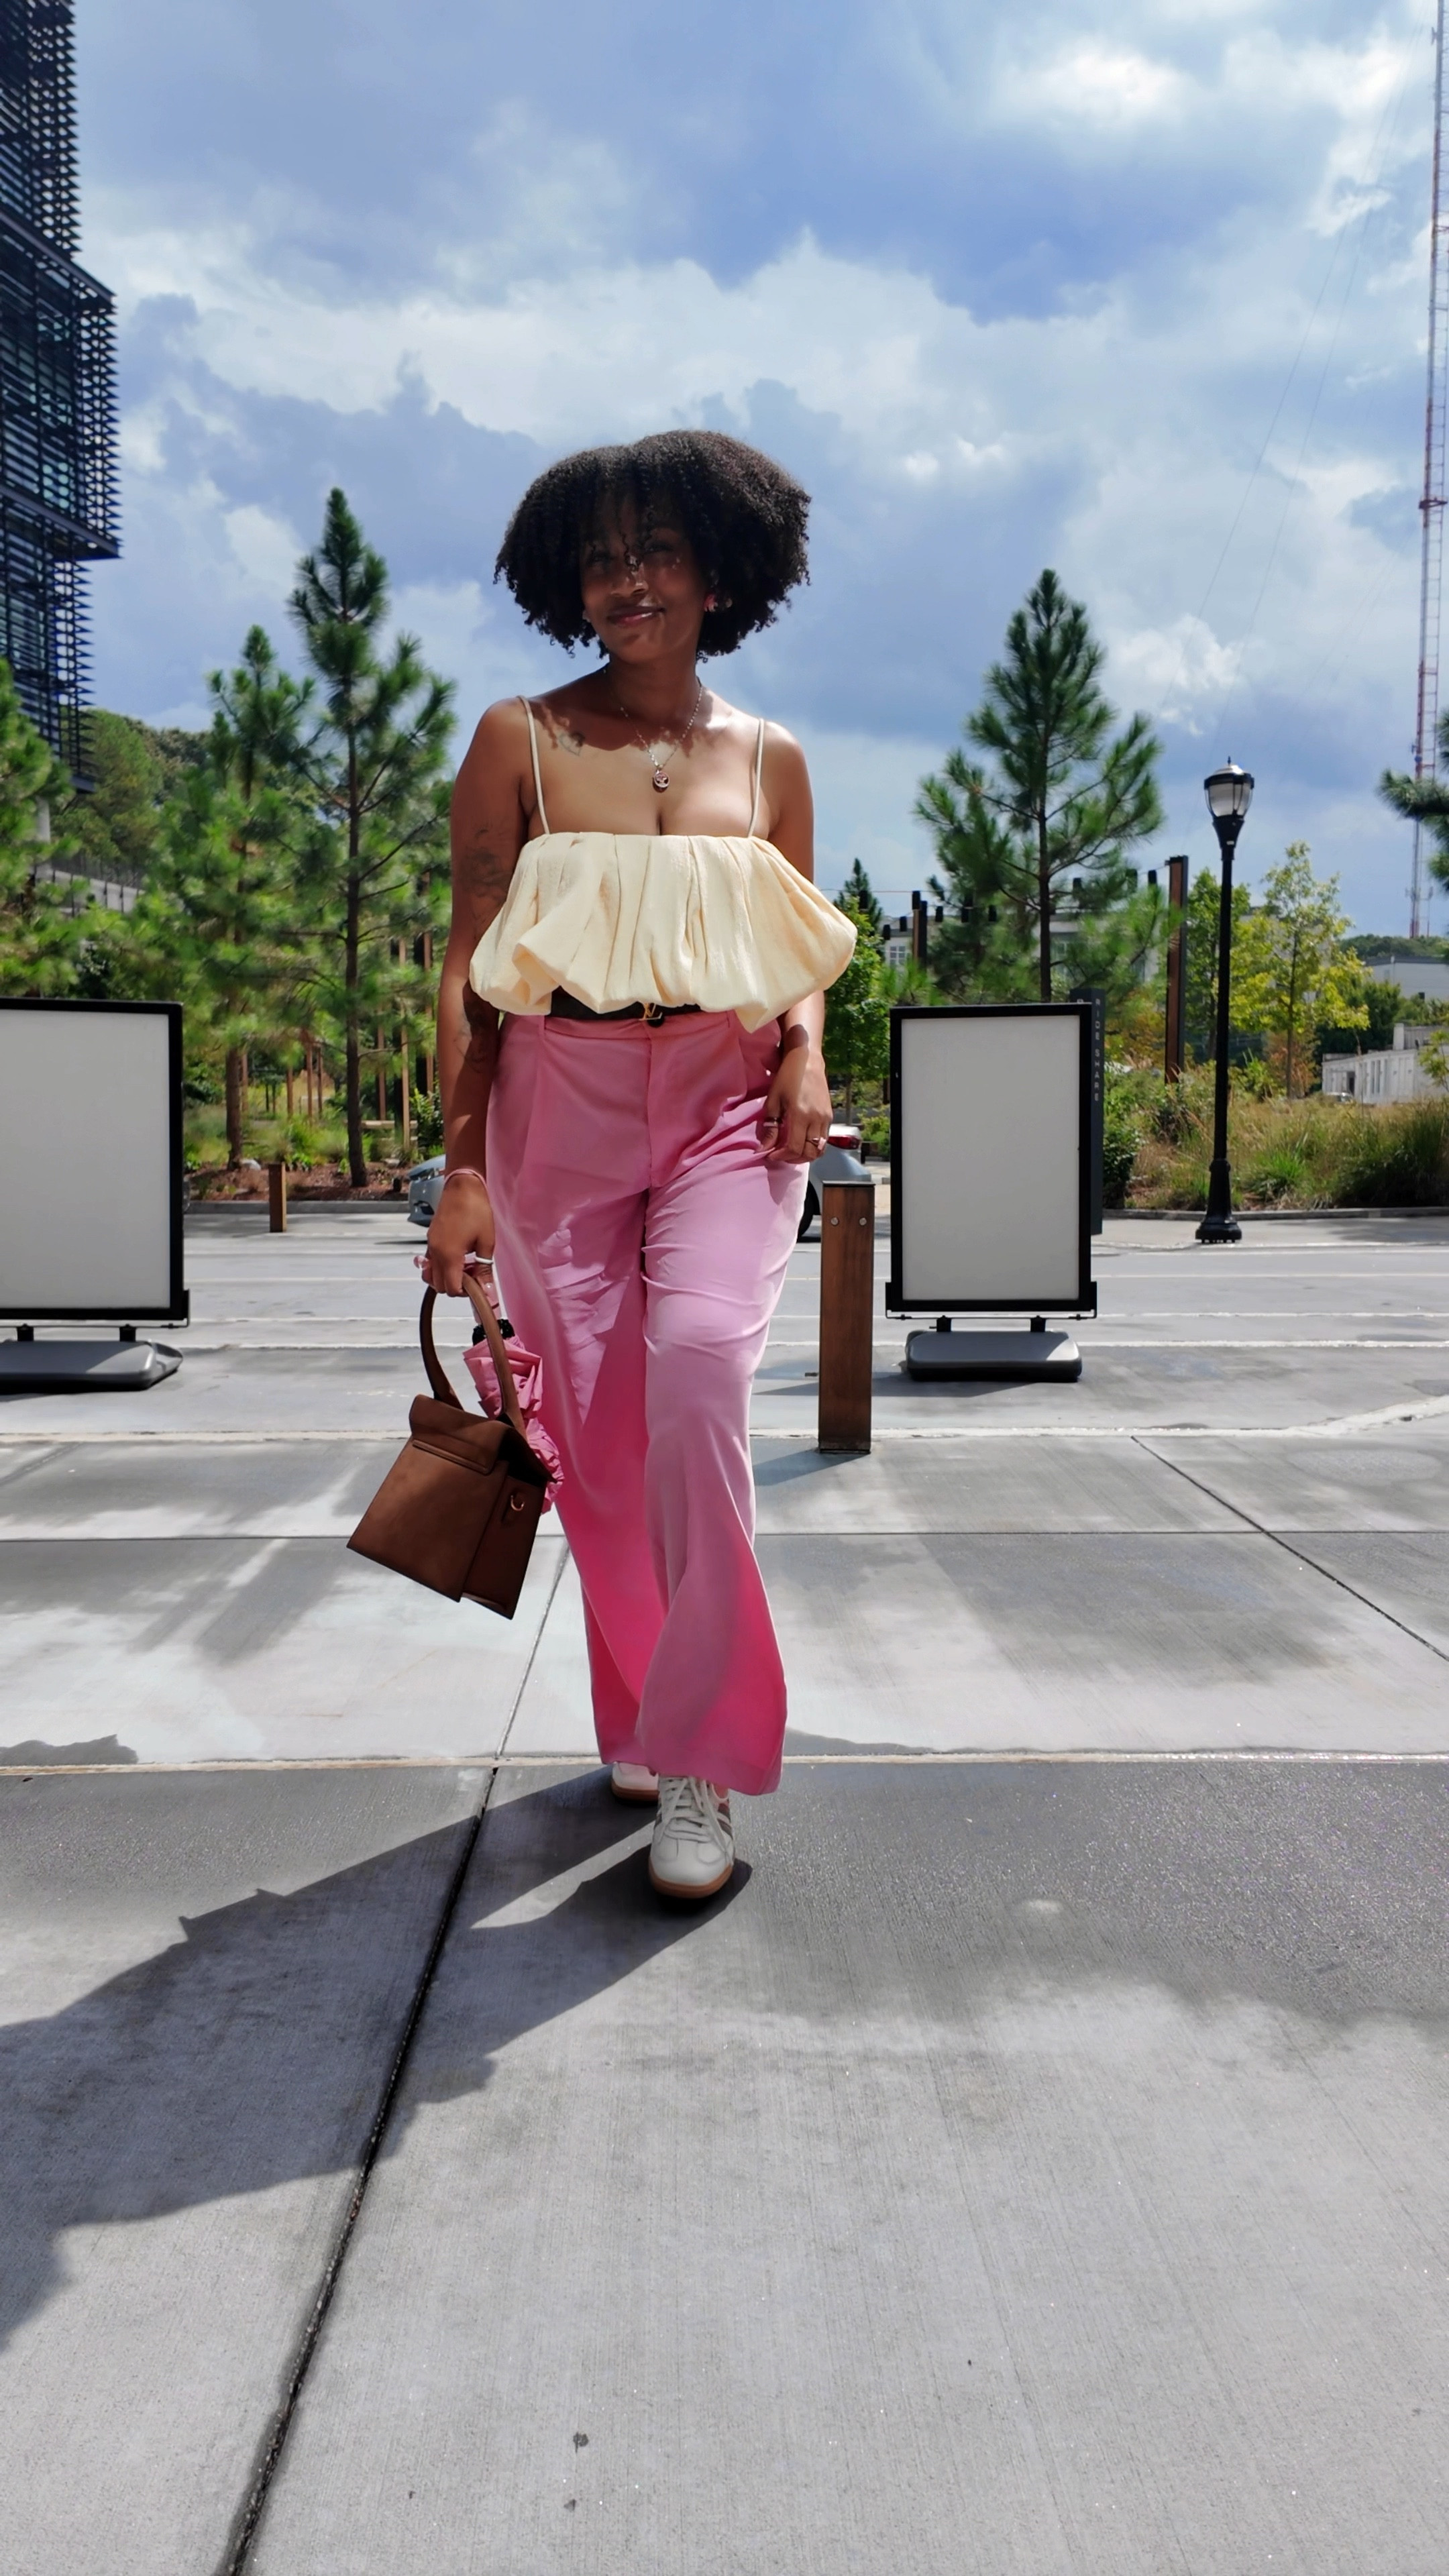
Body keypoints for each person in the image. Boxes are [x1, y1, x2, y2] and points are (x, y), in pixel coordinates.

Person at [426, 428, 855, 1900]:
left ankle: (703, 1761)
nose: (628, 579)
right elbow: (472, 967)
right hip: (563, 1096)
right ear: (570, 582)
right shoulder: (520, 743)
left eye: (657, 549)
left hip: (733, 1105)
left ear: (721, 571)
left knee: (696, 1381)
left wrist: (804, 1046)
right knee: (596, 1447)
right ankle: (642, 1709)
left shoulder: (773, 758)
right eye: (602, 557)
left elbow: (790, 948)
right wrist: (462, 1169)